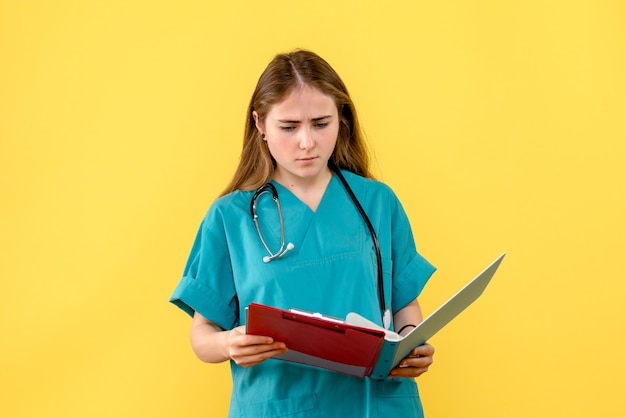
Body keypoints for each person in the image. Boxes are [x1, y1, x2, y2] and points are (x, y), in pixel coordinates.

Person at [169, 49, 437, 417]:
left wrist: (412, 342)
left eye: (321, 123)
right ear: (260, 124)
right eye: (289, 127)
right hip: (280, 406)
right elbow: (202, 335)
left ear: (341, 119)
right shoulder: (229, 217)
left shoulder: (377, 202)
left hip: (376, 405)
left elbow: (404, 303)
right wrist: (228, 343)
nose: (307, 142)